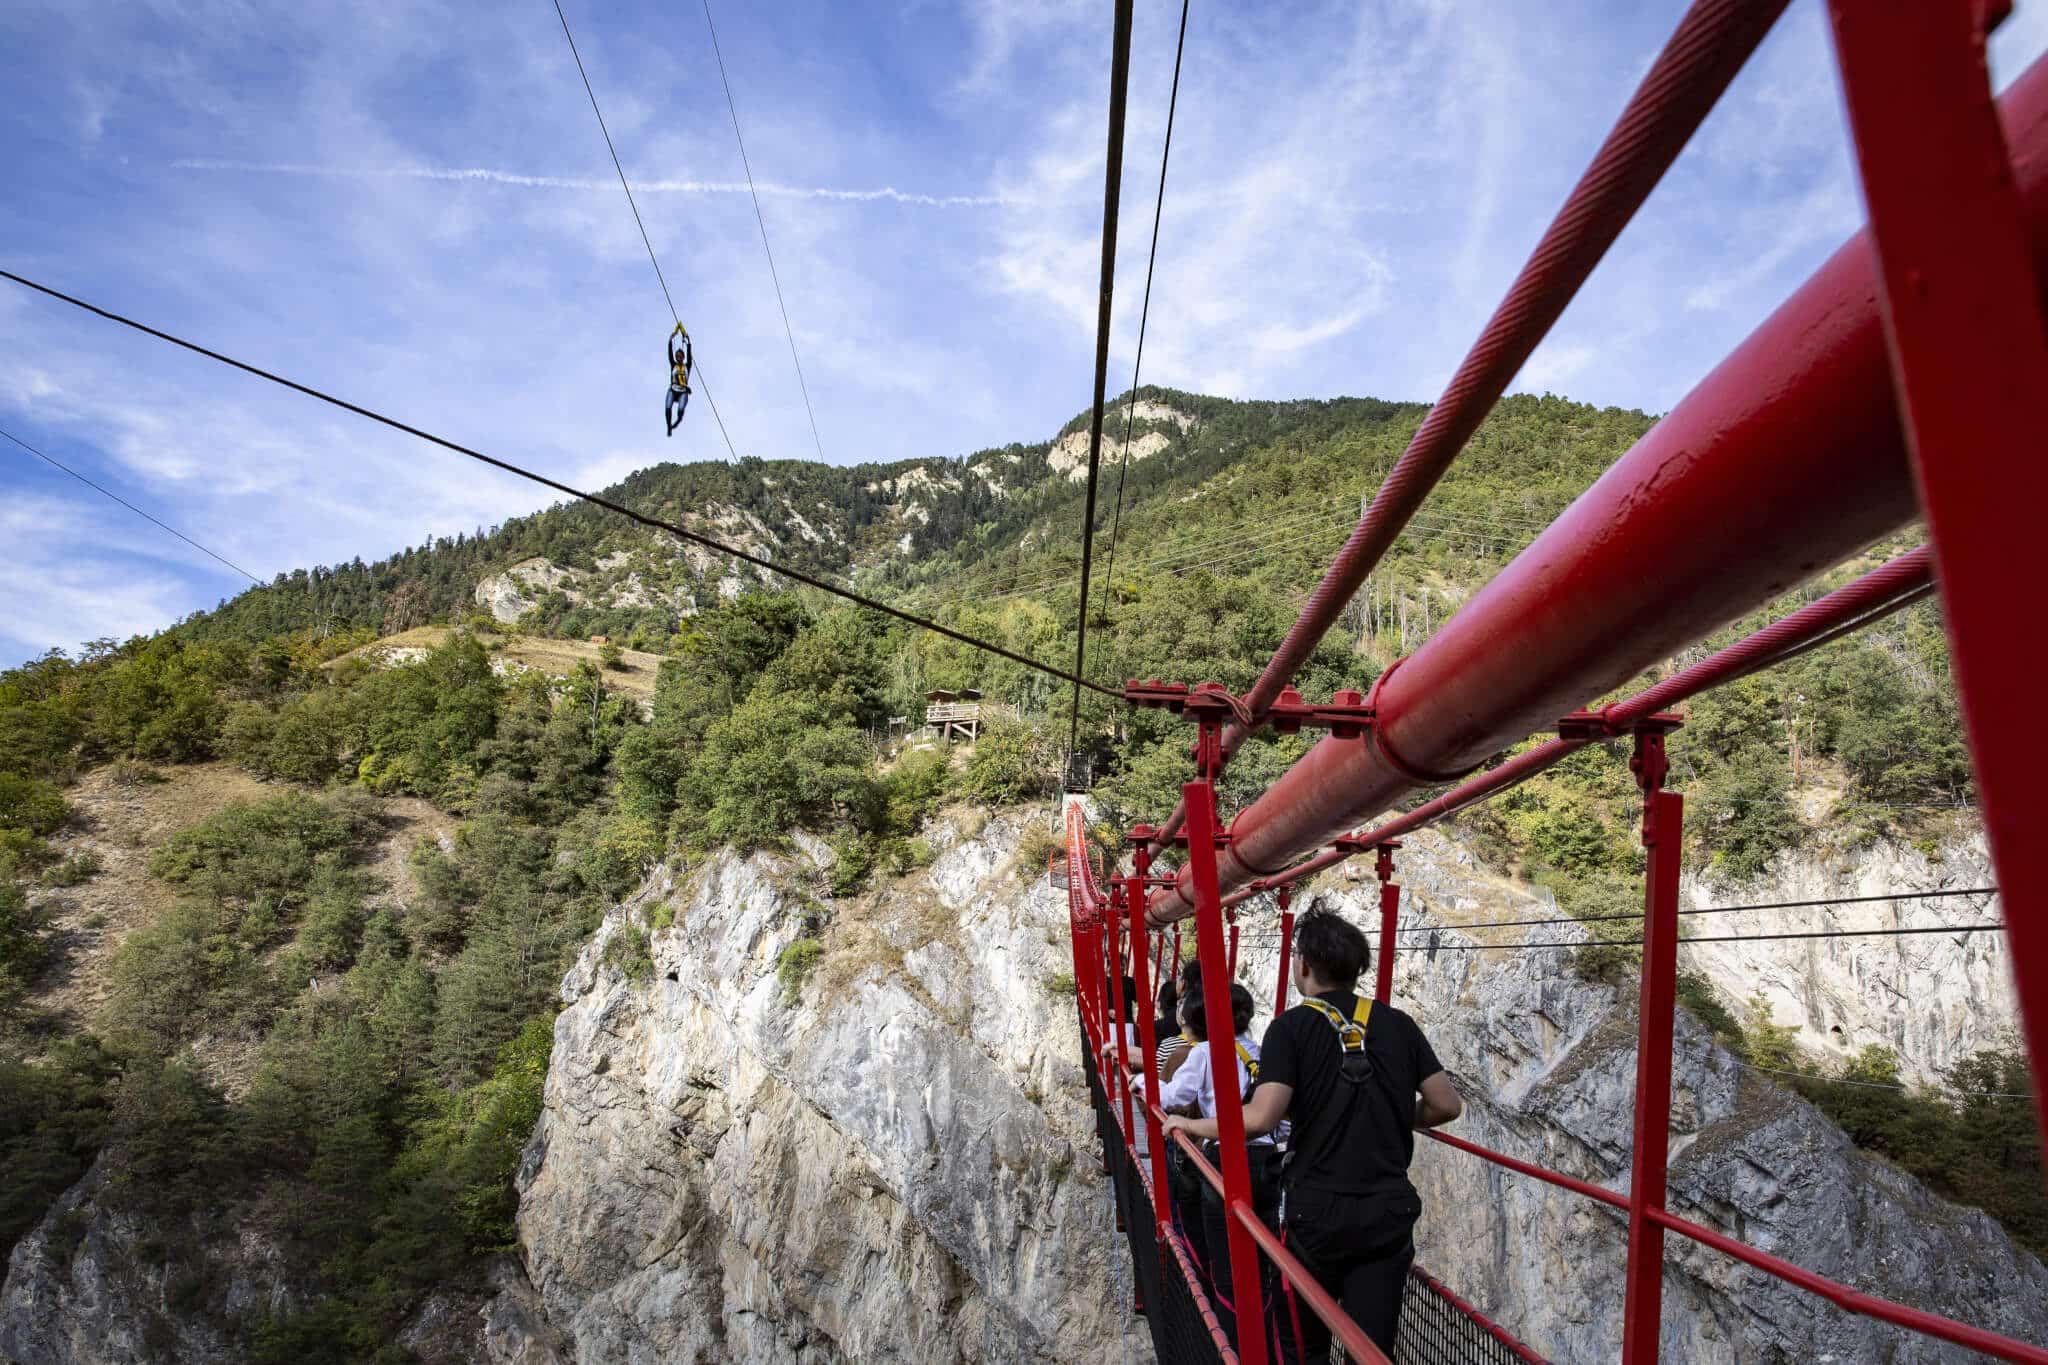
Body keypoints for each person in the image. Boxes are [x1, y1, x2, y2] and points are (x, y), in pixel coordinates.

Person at [1163, 906, 1459, 1360]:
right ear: (1356, 968)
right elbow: (1445, 1104)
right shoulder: (1398, 1024)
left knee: (1302, 1347)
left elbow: (1261, 1118)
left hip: (1314, 1216)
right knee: (1371, 1351)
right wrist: (1392, 1112)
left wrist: (1190, 1124)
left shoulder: (1292, 1028)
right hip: (1388, 1212)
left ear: (1301, 964)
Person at [1159, 977, 1278, 1349]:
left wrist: (1144, 1082)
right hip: (1267, 1161)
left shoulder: (1205, 1052)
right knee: (1264, 1261)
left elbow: (1173, 1097)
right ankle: (1265, 1344)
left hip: (1223, 1163)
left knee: (1226, 1267)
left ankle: (1230, 1348)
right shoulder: (1259, 1052)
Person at [665, 323, 693, 436]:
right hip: (673, 389)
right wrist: (671, 340)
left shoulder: (687, 366)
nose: (678, 358)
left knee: (680, 410)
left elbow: (690, 355)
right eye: (677, 357)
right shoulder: (673, 365)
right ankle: (669, 427)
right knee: (668, 407)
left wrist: (688, 342)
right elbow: (669, 354)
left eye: (680, 357)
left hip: (683, 391)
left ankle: (676, 423)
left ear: (683, 358)